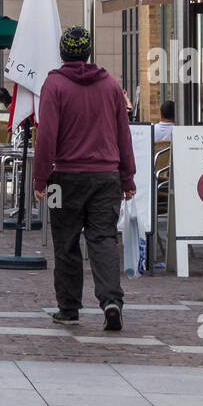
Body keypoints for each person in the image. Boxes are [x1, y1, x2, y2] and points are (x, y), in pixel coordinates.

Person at [32, 27, 135, 332]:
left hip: (63, 177)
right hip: (107, 176)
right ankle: (111, 300)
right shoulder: (110, 84)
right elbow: (123, 134)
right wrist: (127, 178)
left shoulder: (54, 84)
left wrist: (40, 179)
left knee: (65, 241)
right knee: (103, 238)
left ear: (62, 52)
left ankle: (68, 308)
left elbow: (46, 135)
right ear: (88, 53)